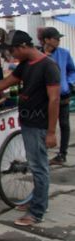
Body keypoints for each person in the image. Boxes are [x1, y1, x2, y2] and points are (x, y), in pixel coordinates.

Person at [0, 30, 60, 226]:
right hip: (27, 121)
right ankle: (34, 201)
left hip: (40, 124)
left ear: (22, 47)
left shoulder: (48, 66)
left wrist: (52, 132)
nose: (12, 56)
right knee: (35, 164)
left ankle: (37, 212)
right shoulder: (25, 65)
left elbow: (54, 99)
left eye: (13, 52)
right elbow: (6, 82)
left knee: (39, 167)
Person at [40, 27, 75, 165]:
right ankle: (42, 153)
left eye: (59, 38)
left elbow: (72, 70)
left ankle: (62, 154)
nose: (58, 41)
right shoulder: (38, 54)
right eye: (56, 38)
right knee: (44, 125)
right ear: (47, 40)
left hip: (62, 95)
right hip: (44, 97)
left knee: (64, 124)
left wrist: (70, 82)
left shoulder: (64, 53)